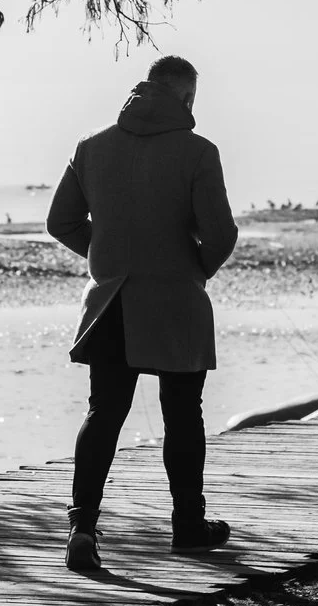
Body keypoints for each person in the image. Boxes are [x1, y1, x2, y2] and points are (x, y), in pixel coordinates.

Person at [44, 55, 239, 574]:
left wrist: (107, 258)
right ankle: (188, 527)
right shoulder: (199, 151)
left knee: (103, 413)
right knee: (183, 414)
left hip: (111, 303)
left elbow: (61, 221)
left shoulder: (91, 147)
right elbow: (221, 234)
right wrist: (193, 268)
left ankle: (82, 528)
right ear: (186, 97)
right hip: (177, 304)